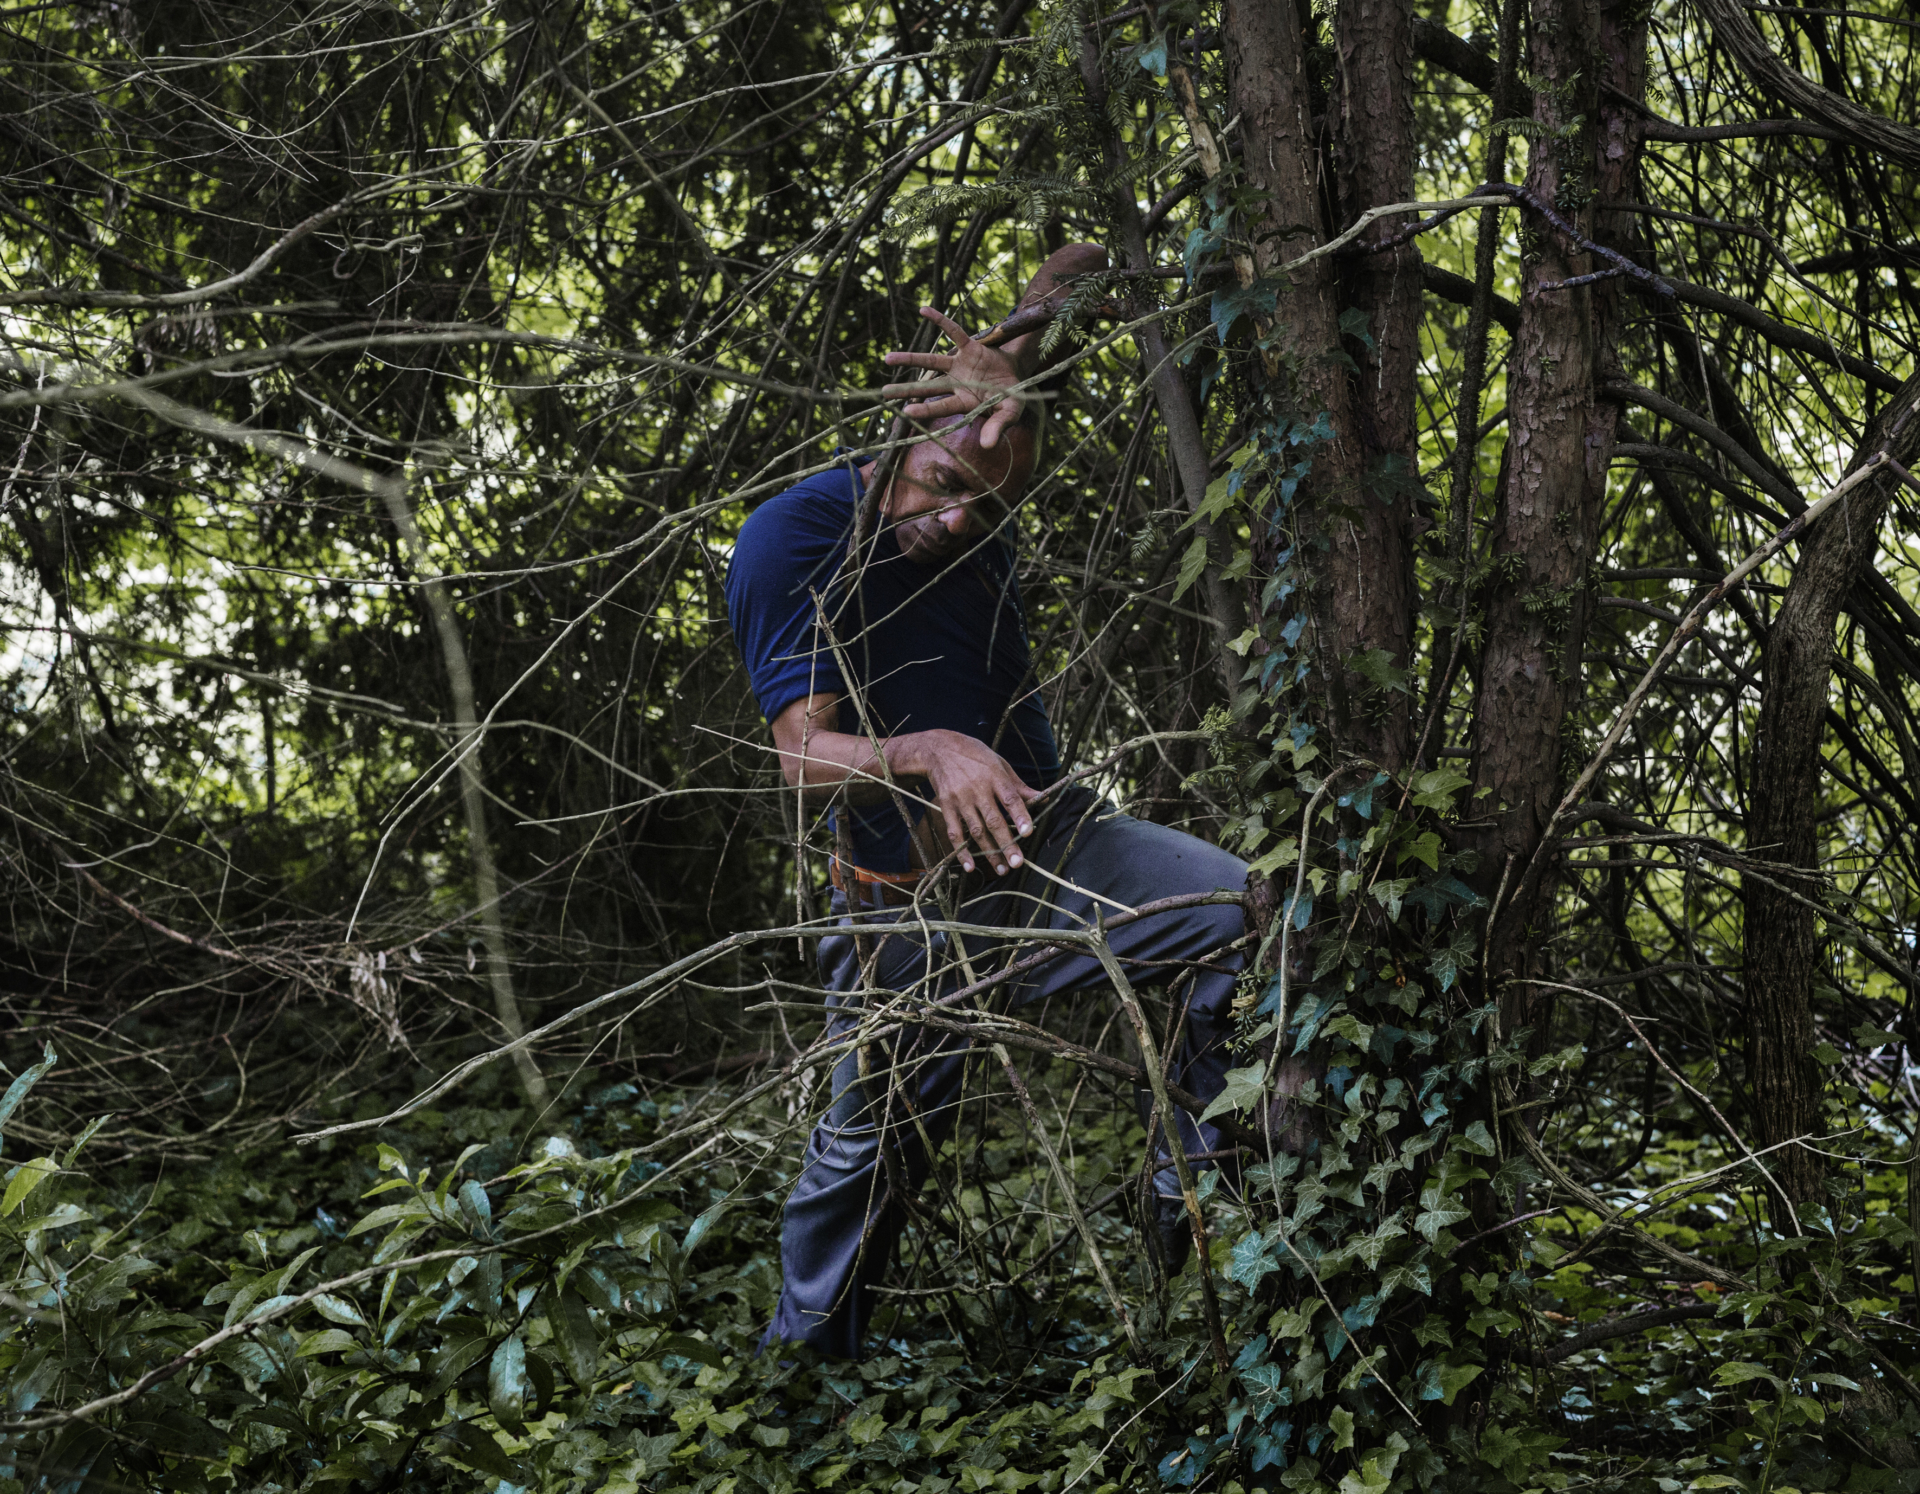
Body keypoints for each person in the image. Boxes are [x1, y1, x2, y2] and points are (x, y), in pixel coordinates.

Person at [724, 244, 1252, 1359]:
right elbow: (799, 759)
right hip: (900, 902)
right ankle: (803, 1369)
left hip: (1044, 846)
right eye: (945, 486)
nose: (962, 521)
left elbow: (1051, 320)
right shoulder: (794, 537)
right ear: (902, 434)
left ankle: (1192, 1220)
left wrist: (1039, 313)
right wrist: (929, 749)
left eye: (985, 498)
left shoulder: (974, 498)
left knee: (1242, 918)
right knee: (876, 1147)